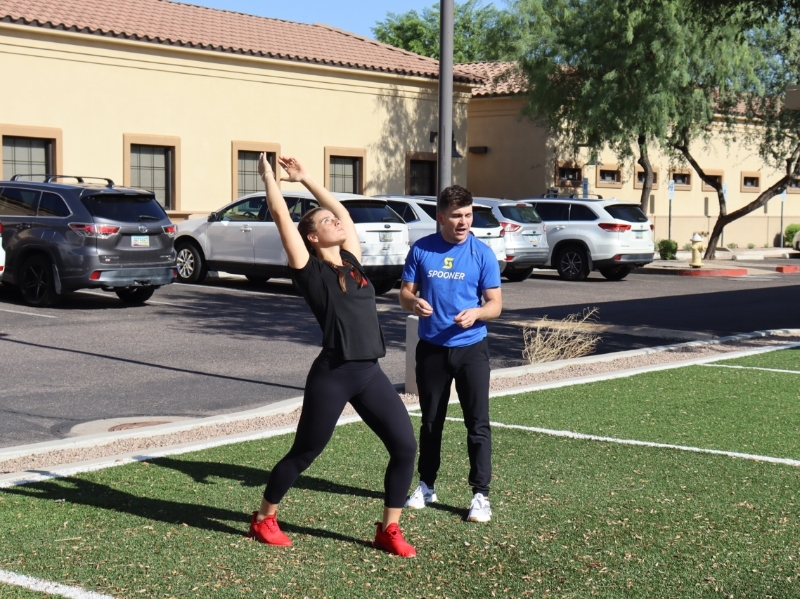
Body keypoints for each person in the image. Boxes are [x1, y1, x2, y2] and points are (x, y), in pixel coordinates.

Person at [248, 153, 418, 557]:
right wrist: (270, 177)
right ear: (312, 237)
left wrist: (307, 179)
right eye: (325, 222)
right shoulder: (309, 268)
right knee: (305, 452)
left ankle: (389, 529)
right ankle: (263, 518)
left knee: (405, 446)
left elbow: (342, 210)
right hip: (334, 373)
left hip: (369, 373)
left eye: (333, 220)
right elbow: (278, 213)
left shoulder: (352, 260)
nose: (335, 222)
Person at [399, 185, 502, 522]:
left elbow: (495, 305)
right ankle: (426, 484)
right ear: (440, 216)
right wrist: (414, 302)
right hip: (431, 349)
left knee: (477, 423)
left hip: (471, 348)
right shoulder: (422, 250)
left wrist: (476, 314)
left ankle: (480, 496)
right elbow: (404, 294)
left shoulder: (482, 253)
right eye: (457, 215)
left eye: (469, 215)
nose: (464, 222)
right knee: (431, 422)